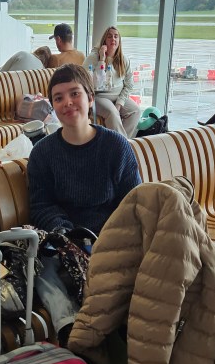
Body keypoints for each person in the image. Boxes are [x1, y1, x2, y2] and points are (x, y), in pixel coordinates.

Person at [27, 63, 141, 345]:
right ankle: (70, 329)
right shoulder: (42, 153)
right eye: (58, 98)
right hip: (65, 241)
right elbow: (41, 205)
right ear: (53, 107)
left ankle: (108, 332)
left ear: (90, 98)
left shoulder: (116, 147)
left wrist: (105, 241)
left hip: (111, 241)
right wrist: (69, 236)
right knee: (36, 260)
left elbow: (132, 203)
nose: (67, 102)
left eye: (74, 94)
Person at [86, 25, 140, 140]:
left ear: (119, 41)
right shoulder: (93, 57)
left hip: (117, 96)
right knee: (112, 112)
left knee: (135, 111)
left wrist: (119, 103)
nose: (113, 39)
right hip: (99, 96)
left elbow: (129, 84)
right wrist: (102, 59)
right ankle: (123, 145)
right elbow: (90, 82)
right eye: (109, 36)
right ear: (104, 40)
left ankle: (122, 142)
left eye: (116, 36)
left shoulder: (123, 60)